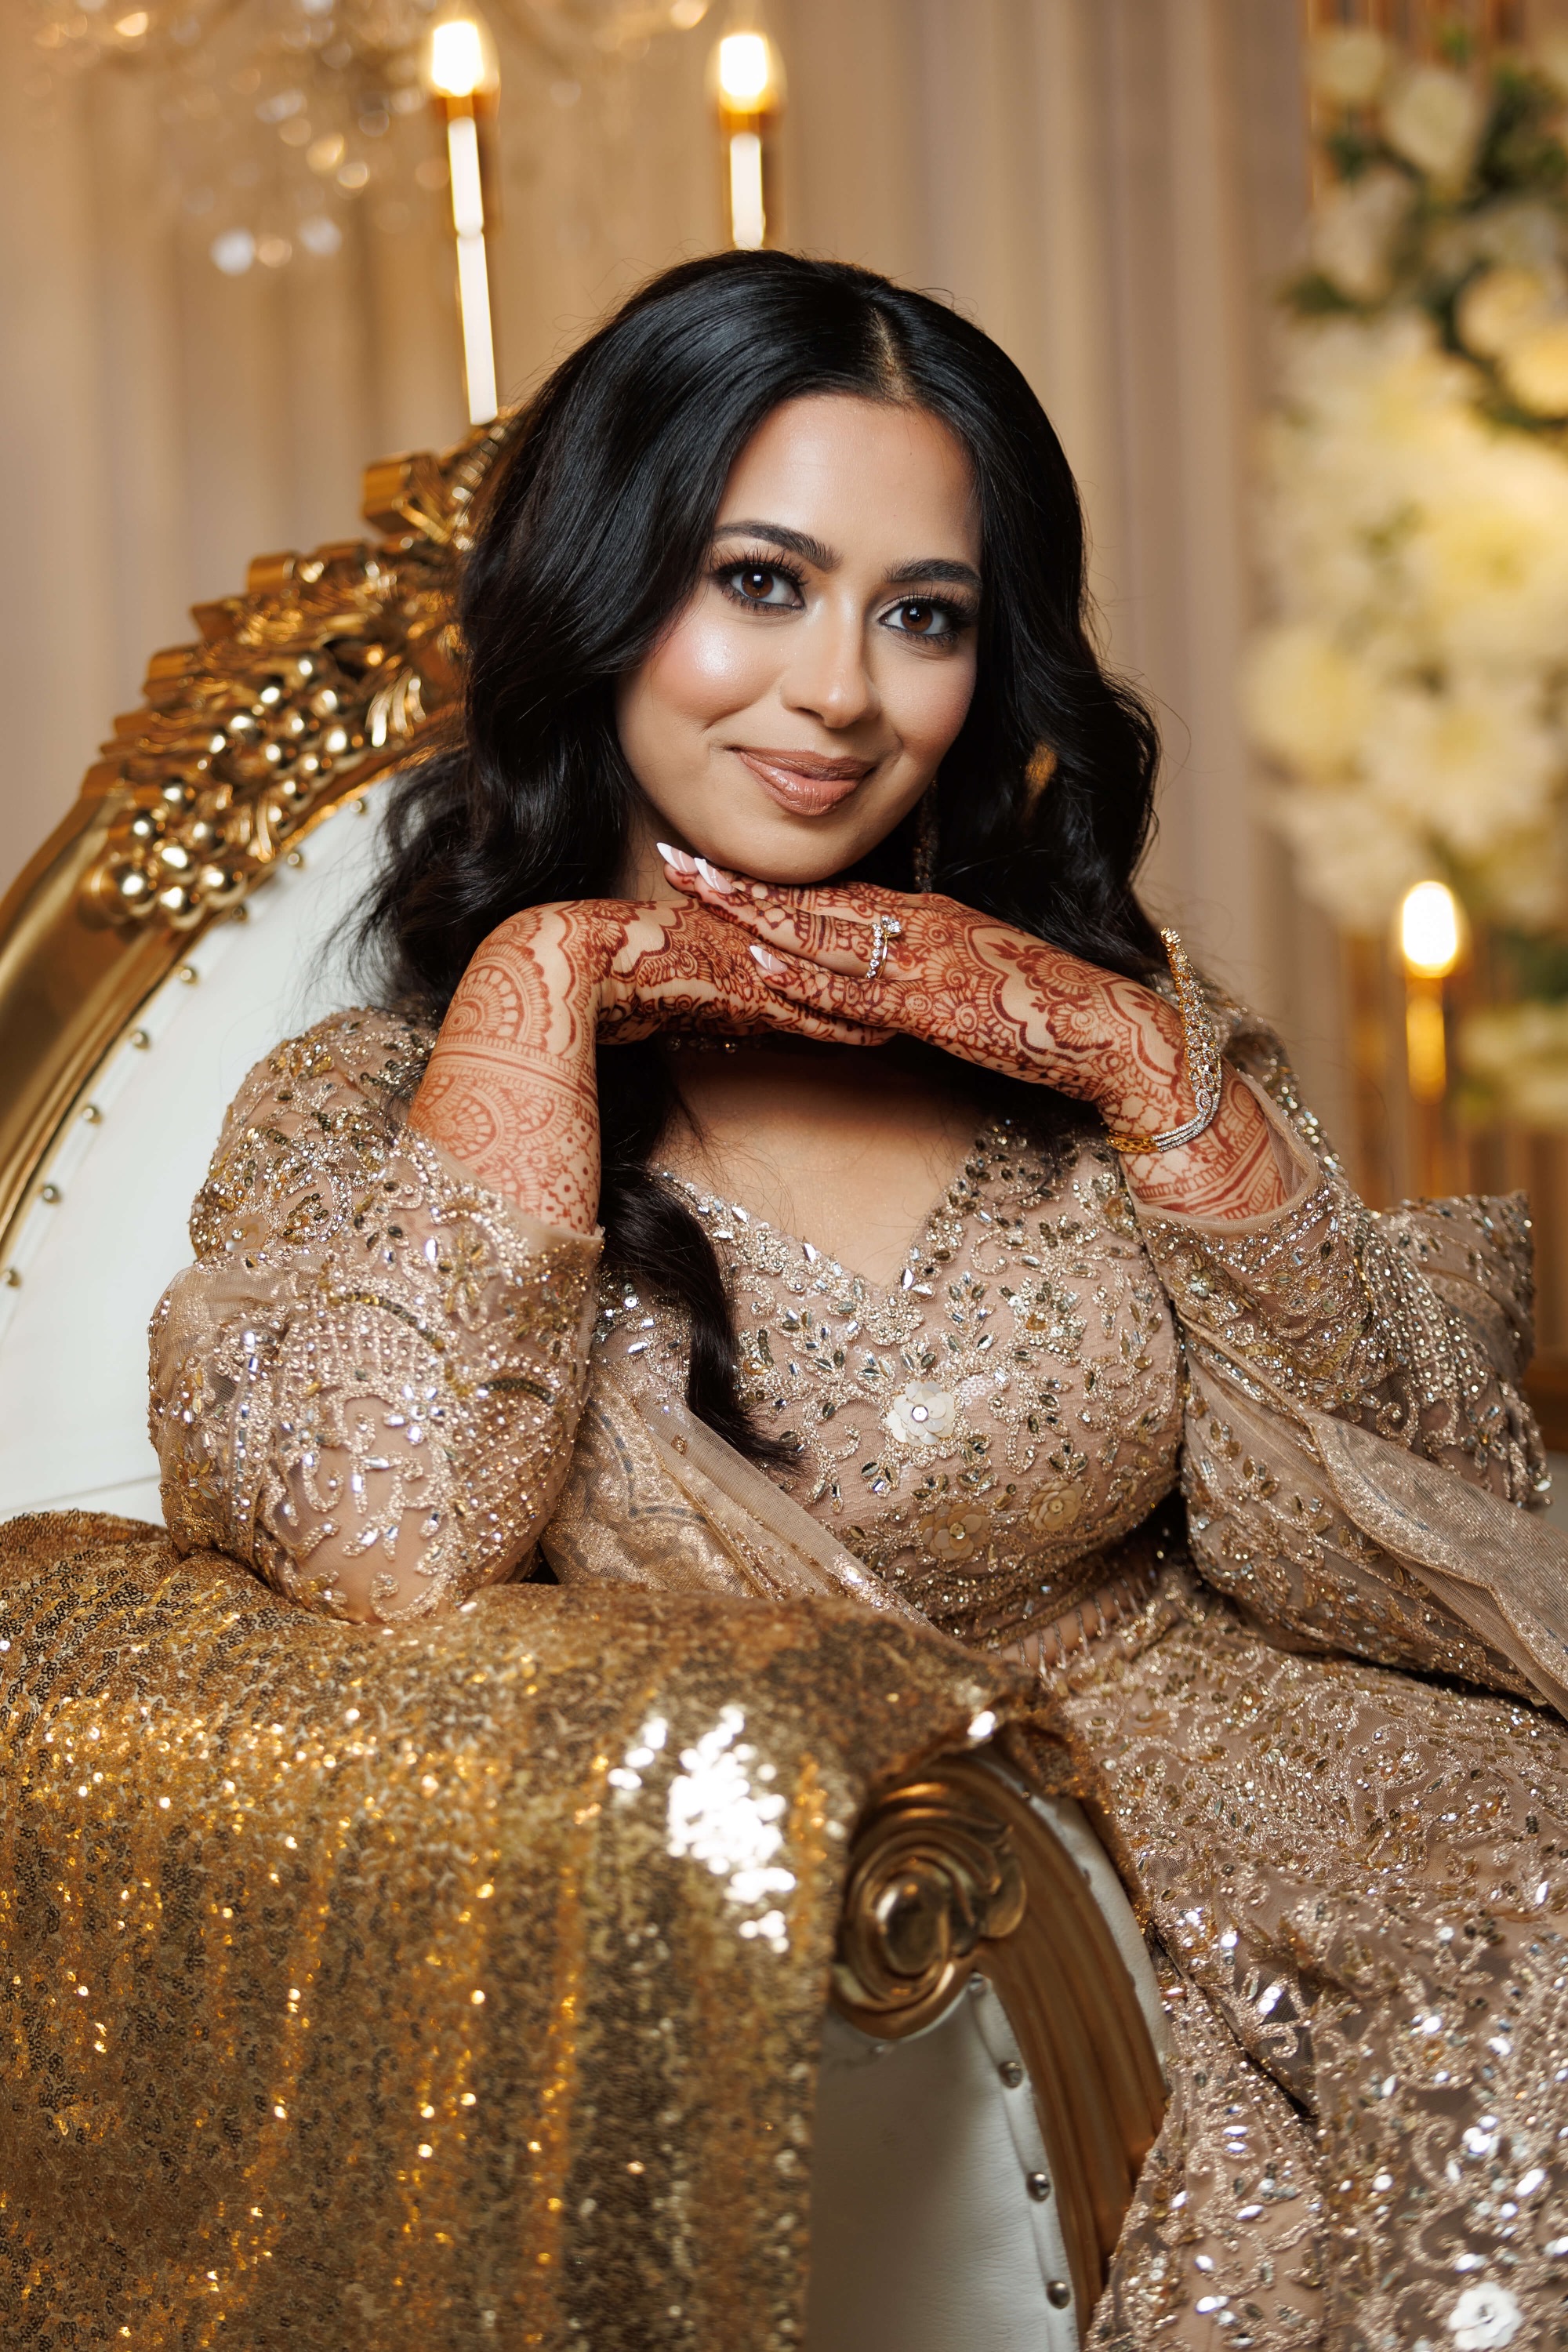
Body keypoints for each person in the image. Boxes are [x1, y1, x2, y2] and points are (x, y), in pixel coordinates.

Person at [149, 251, 1568, 2349]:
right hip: (910, 1890)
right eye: (761, 580)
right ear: (603, 594)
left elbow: (1448, 1485)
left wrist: (1147, 1072)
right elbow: (381, 1530)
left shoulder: (1081, 1024)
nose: (839, 693)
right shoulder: (376, 1111)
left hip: (1319, 1767)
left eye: (923, 616)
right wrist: (549, 981)